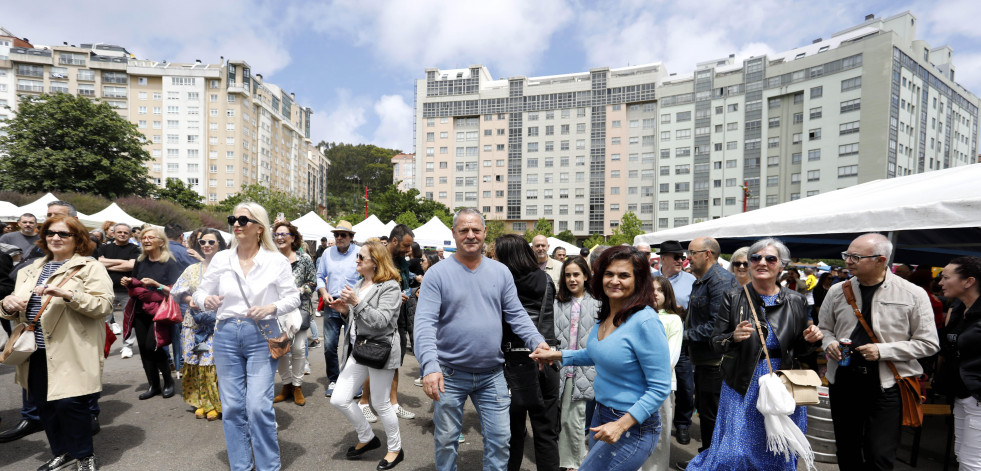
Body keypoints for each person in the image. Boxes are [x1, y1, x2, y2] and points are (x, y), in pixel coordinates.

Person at [414, 208, 548, 471]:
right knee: (446, 442)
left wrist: (536, 340)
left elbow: (516, 314)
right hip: (449, 375)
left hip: (492, 375)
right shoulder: (437, 274)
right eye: (464, 230)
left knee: (500, 441)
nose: (471, 235)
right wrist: (429, 366)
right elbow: (424, 324)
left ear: (485, 232)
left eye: (476, 229)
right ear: (454, 234)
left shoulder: (500, 272)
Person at [686, 238, 822, 470]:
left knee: (777, 447)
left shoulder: (796, 300)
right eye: (755, 258)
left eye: (770, 258)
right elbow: (716, 342)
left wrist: (809, 341)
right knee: (735, 451)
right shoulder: (733, 297)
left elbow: (799, 350)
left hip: (781, 381)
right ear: (749, 264)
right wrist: (733, 337)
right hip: (742, 380)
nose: (762, 262)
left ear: (781, 266)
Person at [532, 246, 671, 471]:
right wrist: (556, 355)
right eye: (609, 274)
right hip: (602, 414)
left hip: (632, 425)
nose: (614, 280)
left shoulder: (645, 321)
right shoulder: (608, 312)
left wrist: (621, 425)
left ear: (639, 280)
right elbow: (599, 354)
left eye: (624, 275)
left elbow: (660, 388)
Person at [193, 203, 301, 471]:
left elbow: (294, 297)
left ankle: (268, 466)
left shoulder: (275, 260)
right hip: (226, 333)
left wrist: (271, 307)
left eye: (244, 219)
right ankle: (241, 465)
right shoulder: (221, 258)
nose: (237, 223)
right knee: (231, 408)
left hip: (261, 334)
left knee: (258, 407)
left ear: (260, 227)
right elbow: (199, 293)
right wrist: (207, 299)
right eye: (233, 219)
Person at [0, 215, 113, 471]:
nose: (55, 238)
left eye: (64, 234)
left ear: (78, 239)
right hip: (34, 350)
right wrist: (7, 304)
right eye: (50, 233)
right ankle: (61, 452)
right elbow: (13, 305)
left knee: (70, 404)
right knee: (45, 405)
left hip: (71, 348)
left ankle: (84, 456)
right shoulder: (31, 269)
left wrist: (69, 294)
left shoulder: (90, 267)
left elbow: (103, 306)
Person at [819, 233, 939, 470]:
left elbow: (929, 344)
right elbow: (824, 328)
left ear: (881, 260)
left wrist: (883, 351)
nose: (848, 261)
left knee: (879, 454)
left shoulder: (913, 294)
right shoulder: (837, 291)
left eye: (855, 256)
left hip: (887, 384)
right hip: (843, 379)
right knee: (847, 449)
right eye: (847, 255)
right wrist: (829, 343)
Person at [328, 241, 405, 469]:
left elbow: (381, 322)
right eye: (358, 257)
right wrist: (345, 311)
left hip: (380, 350)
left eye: (361, 257)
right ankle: (367, 436)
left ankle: (395, 449)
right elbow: (359, 319)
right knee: (339, 398)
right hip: (359, 349)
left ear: (376, 262)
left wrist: (356, 302)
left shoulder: (390, 287)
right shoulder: (361, 283)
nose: (357, 261)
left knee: (381, 404)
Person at [495, 233, 559, 471]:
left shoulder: (503, 282)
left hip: (512, 363)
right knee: (546, 431)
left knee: (513, 432)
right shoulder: (546, 279)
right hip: (547, 357)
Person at [681, 237, 738, 461]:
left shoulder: (720, 281)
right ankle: (707, 458)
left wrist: (681, 337)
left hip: (716, 362)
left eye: (692, 253)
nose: (688, 258)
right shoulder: (702, 280)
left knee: (712, 417)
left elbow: (717, 325)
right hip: (704, 360)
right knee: (706, 414)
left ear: (707, 254)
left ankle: (711, 462)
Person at [121, 226, 183, 400]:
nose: (146, 240)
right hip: (140, 309)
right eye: (143, 238)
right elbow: (135, 283)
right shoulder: (140, 261)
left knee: (153, 345)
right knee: (144, 349)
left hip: (159, 311)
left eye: (150, 237)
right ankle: (153, 385)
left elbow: (176, 290)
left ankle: (168, 382)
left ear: (161, 242)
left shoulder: (169, 262)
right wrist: (129, 281)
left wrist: (156, 284)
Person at [171, 228, 227, 421]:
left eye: (211, 242)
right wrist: (189, 300)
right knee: (195, 362)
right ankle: (201, 402)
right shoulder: (192, 269)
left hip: (217, 325)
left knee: (211, 364)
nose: (206, 246)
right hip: (193, 324)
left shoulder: (228, 268)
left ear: (219, 244)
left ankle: (215, 403)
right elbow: (178, 291)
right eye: (203, 242)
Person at [553, 256, 600, 471]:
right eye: (568, 275)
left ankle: (580, 462)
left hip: (590, 368)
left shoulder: (599, 303)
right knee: (568, 418)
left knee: (583, 419)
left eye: (576, 274)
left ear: (586, 276)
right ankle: (572, 461)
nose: (572, 279)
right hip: (564, 368)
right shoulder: (557, 302)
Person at [936, 256, 981, 470]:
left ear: (968, 281)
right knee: (961, 455)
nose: (940, 283)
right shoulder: (957, 310)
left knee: (972, 462)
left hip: (977, 396)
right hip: (961, 393)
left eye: (945, 277)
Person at [652, 240, 697, 446]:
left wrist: (682, 312)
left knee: (686, 387)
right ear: (663, 258)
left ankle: (682, 424)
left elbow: (696, 312)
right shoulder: (648, 279)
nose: (682, 260)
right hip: (652, 341)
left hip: (681, 340)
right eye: (677, 257)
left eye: (683, 257)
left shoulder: (691, 280)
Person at [642, 276, 685, 471]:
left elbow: (671, 357)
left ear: (667, 294)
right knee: (637, 434)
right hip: (635, 385)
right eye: (651, 290)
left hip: (661, 385)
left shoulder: (673, 319)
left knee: (659, 434)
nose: (655, 294)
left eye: (659, 290)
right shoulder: (638, 316)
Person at [272, 221, 316, 407]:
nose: (280, 237)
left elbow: (312, 283)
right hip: (277, 310)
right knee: (281, 350)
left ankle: (297, 386)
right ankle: (286, 384)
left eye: (284, 234)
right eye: (277, 234)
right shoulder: (270, 259)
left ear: (292, 238)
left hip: (300, 309)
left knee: (298, 348)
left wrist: (300, 289)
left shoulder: (304, 258)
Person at [317, 220, 360, 397]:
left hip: (352, 305)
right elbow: (320, 276)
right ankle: (334, 380)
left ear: (351, 237)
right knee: (329, 345)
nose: (339, 238)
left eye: (343, 235)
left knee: (354, 345)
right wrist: (323, 292)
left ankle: (352, 382)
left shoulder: (360, 253)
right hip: (332, 303)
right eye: (336, 235)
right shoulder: (327, 253)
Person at [94, 223, 140, 339]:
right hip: (107, 289)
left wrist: (107, 264)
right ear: (113, 233)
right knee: (103, 320)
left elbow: (131, 265)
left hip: (127, 291)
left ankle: (127, 346)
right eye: (119, 232)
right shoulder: (104, 247)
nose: (122, 234)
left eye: (125, 232)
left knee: (129, 320)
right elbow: (98, 262)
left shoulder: (135, 249)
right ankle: (102, 345)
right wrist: (122, 262)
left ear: (130, 235)